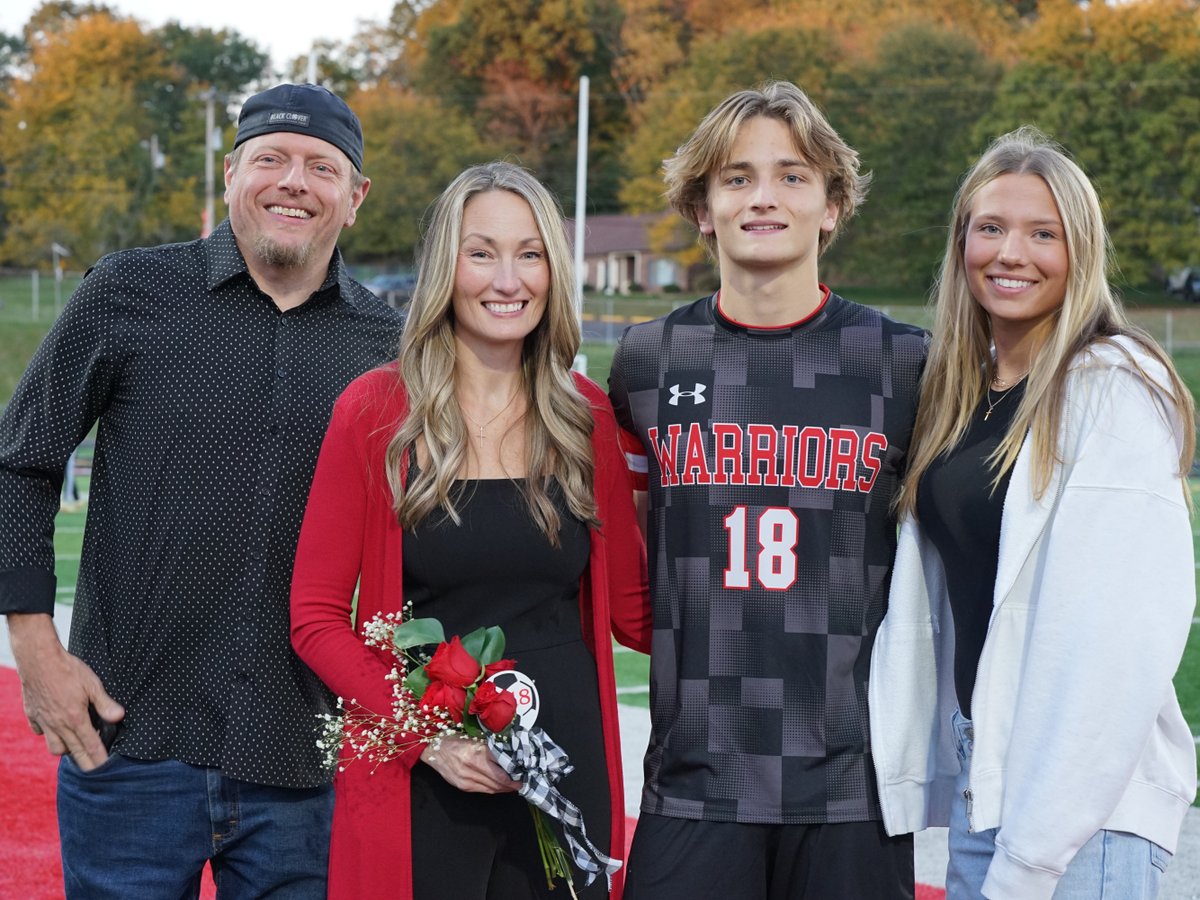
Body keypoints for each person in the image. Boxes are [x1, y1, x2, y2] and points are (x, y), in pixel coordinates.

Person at [0, 83, 403, 897]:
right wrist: (37, 653)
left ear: (354, 198)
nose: (294, 180)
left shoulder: (394, 343)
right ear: (230, 176)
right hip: (130, 742)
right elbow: (19, 464)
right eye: (272, 159)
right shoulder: (126, 294)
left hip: (307, 760)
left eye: (321, 167)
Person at [290, 160, 651, 900]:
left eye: (530, 253)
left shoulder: (585, 416)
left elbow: (635, 613)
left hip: (563, 768)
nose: (507, 279)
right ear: (445, 269)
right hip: (424, 771)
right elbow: (317, 617)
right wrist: (428, 741)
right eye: (481, 252)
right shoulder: (374, 412)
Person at [607, 81, 925, 899]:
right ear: (702, 209)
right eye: (737, 177)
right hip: (695, 771)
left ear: (831, 206)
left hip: (853, 779)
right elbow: (638, 542)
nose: (764, 197)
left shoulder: (900, 362)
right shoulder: (650, 360)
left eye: (792, 176)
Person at [869, 126, 1197, 899]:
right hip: (990, 785)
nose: (1010, 253)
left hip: (1084, 814)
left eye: (1042, 234)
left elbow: (1114, 651)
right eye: (991, 228)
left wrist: (1037, 855)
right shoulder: (960, 395)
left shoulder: (1113, 387)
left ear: (1080, 253)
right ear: (962, 245)